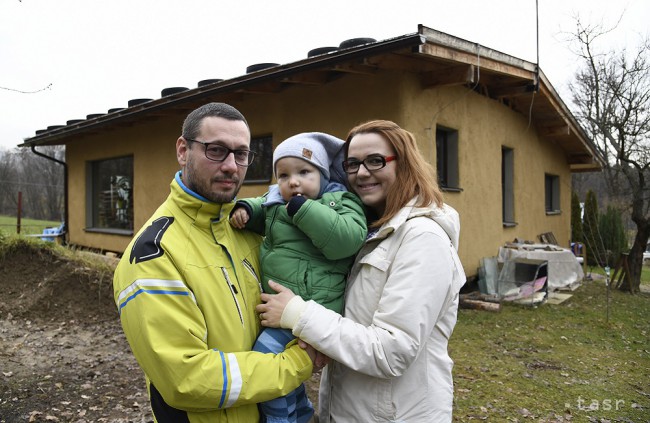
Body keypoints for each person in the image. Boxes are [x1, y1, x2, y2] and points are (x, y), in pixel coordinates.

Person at [112, 102, 317, 423]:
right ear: (183, 150)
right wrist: (298, 363)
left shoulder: (247, 230)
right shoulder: (154, 252)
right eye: (217, 150)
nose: (232, 166)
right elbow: (187, 379)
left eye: (242, 154)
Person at [256, 120, 467, 422]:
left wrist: (298, 315)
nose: (362, 172)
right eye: (352, 164)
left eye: (375, 161)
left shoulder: (423, 238)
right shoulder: (368, 231)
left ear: (404, 164)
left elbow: (392, 350)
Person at [230, 132, 367, 422]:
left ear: (322, 173)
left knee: (266, 363)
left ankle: (280, 420)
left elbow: (346, 240)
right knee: (282, 369)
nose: (293, 181)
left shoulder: (341, 201)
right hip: (284, 307)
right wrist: (244, 210)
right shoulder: (276, 202)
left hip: (315, 305)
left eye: (304, 172)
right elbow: (262, 209)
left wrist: (304, 210)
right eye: (283, 175)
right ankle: (302, 414)